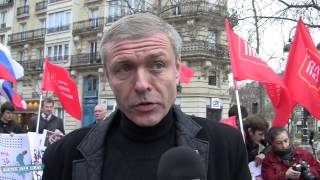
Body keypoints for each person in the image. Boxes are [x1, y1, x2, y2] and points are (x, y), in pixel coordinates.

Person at [42, 13, 251, 180]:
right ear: (107, 77)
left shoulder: (226, 146)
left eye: (158, 65)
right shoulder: (63, 156)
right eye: (124, 68)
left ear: (177, 69)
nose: (142, 85)